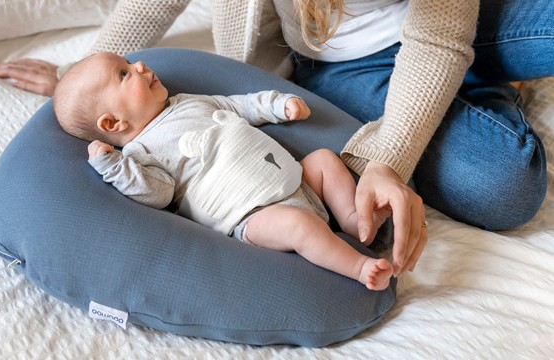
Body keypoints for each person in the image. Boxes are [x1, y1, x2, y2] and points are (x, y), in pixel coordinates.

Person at [0, 0, 554, 278]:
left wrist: (389, 158)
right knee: (507, 187)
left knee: (454, 58)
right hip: (346, 63)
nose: (139, 71)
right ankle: (469, 89)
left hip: (454, 24)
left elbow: (439, 37)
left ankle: (453, 84)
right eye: (125, 74)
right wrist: (78, 77)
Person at [53, 51, 394, 290]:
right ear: (112, 122)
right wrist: (112, 166)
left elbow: (239, 104)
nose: (140, 64)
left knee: (323, 160)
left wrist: (277, 105)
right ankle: (358, 267)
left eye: (129, 62)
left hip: (292, 178)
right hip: (253, 216)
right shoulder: (140, 152)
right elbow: (158, 194)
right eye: (124, 73)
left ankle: (356, 224)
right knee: (298, 225)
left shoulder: (186, 101)